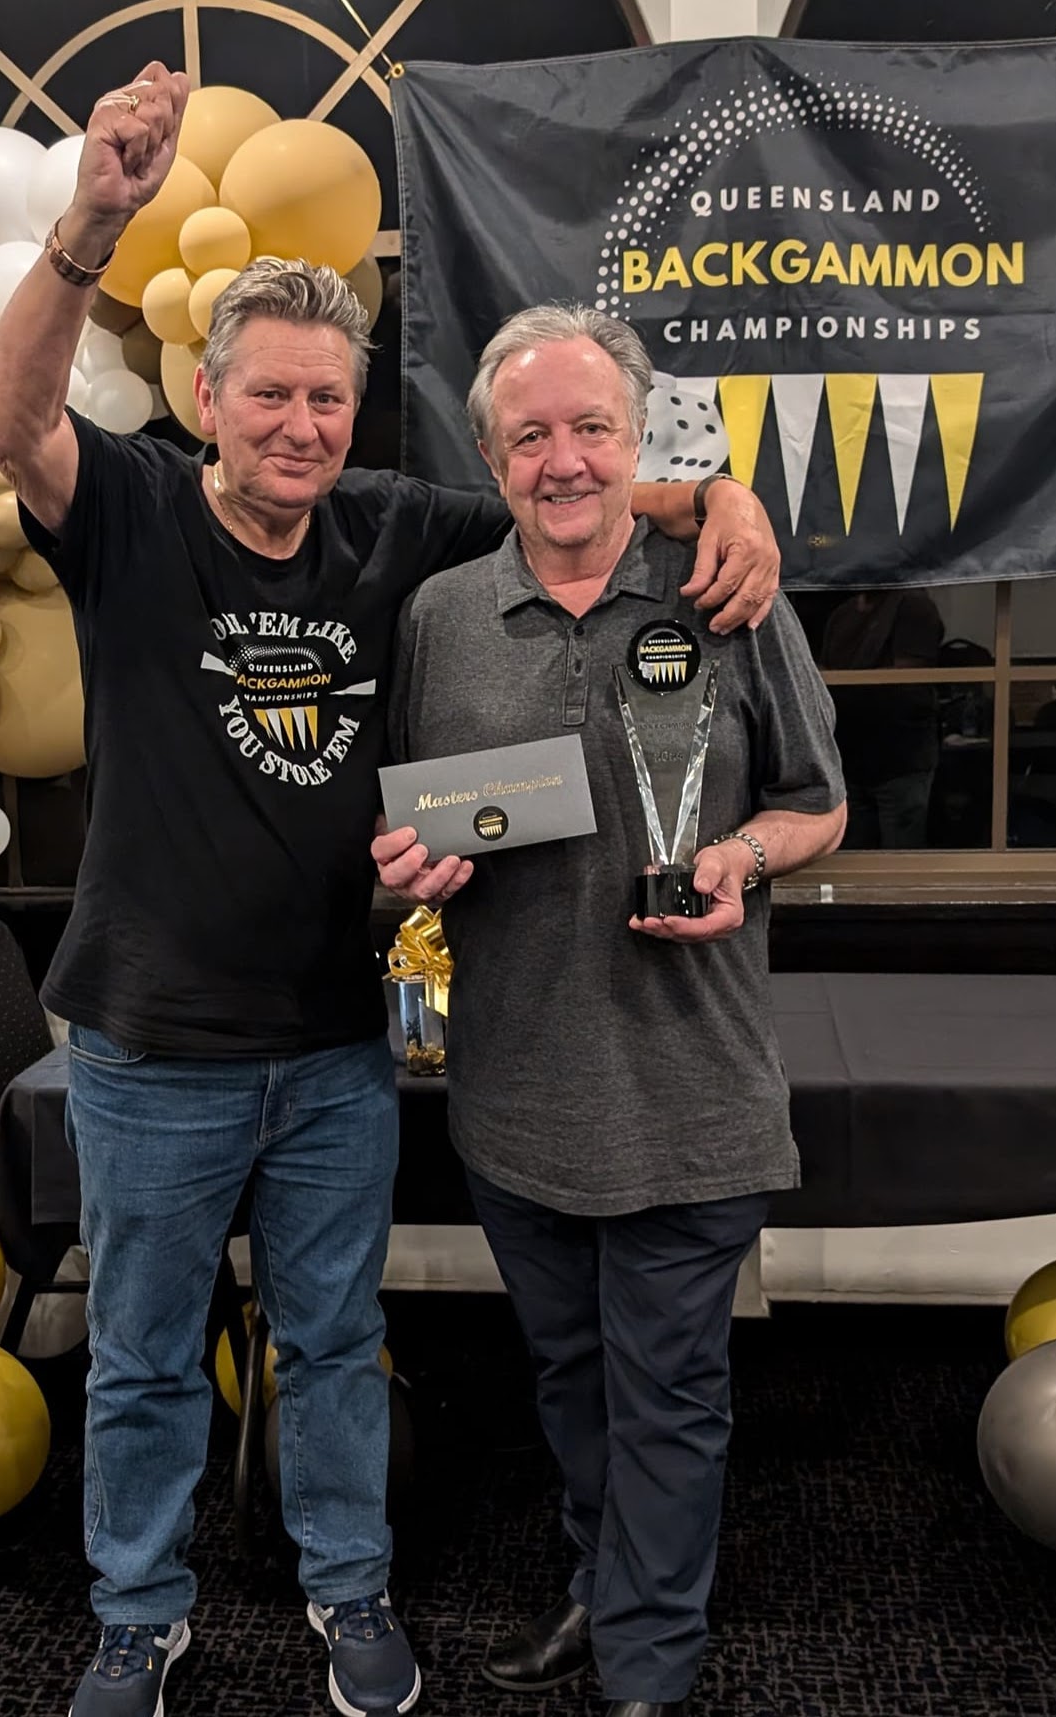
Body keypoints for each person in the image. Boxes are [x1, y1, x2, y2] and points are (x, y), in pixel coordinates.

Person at [0, 60, 785, 1717]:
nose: (297, 427)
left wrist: (717, 494)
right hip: (148, 1044)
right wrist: (92, 224)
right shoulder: (125, 510)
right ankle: (136, 1617)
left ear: (356, 415)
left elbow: (569, 500)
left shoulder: (394, 527)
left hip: (339, 1043)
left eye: (326, 402)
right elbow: (8, 421)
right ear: (208, 397)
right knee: (137, 1362)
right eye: (267, 397)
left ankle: (352, 1595)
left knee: (339, 1347)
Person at [373, 305, 846, 1717]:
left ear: (641, 447)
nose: (565, 460)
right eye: (533, 435)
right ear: (490, 457)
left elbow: (818, 805)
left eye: (593, 430)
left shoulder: (727, 589)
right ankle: (603, 1575)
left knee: (669, 1391)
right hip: (515, 1094)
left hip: (689, 1086)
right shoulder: (440, 617)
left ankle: (647, 1651)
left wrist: (741, 858)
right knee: (569, 1379)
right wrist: (414, 879)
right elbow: (414, 841)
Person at [818, 587, 944, 848]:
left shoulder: (914, 606)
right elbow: (824, 673)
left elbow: (906, 680)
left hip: (900, 760)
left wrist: (840, 685)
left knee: (900, 861)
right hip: (848, 761)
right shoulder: (842, 614)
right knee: (853, 858)